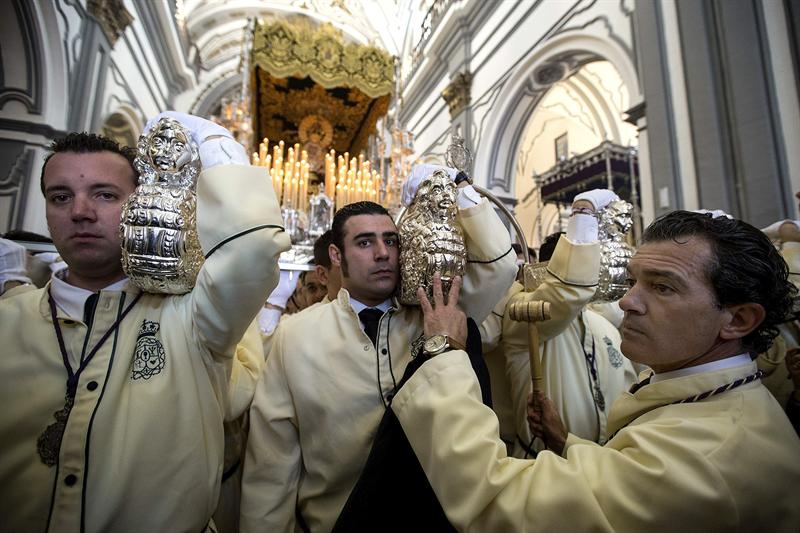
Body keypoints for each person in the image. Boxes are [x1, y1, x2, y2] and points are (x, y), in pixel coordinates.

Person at [390, 210, 800, 532]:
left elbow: (497, 499)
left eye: (663, 287)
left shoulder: (709, 460)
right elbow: (626, 482)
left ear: (738, 319)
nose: (627, 302)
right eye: (634, 282)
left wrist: (444, 350)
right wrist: (568, 443)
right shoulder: (704, 393)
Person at [0, 113, 290, 532]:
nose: (80, 211)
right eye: (60, 197)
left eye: (104, 195)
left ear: (140, 200)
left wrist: (214, 143)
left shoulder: (192, 318)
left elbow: (254, 251)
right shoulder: (8, 322)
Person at [240, 165, 517, 533]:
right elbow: (272, 468)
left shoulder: (433, 313)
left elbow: (501, 267)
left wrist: (460, 189)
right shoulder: (296, 337)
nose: (384, 253)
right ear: (337, 256)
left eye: (391, 240)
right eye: (366, 242)